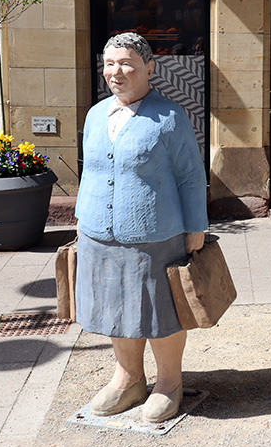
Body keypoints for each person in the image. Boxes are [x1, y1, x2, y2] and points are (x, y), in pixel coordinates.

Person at [75, 32, 208, 423]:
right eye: (110, 63)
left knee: (160, 311)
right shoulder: (96, 115)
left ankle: (169, 382)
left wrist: (195, 226)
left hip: (156, 232)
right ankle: (128, 378)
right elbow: (91, 173)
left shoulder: (170, 117)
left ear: (149, 68)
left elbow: (190, 175)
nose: (116, 72)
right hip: (101, 232)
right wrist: (83, 219)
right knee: (116, 309)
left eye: (127, 63)